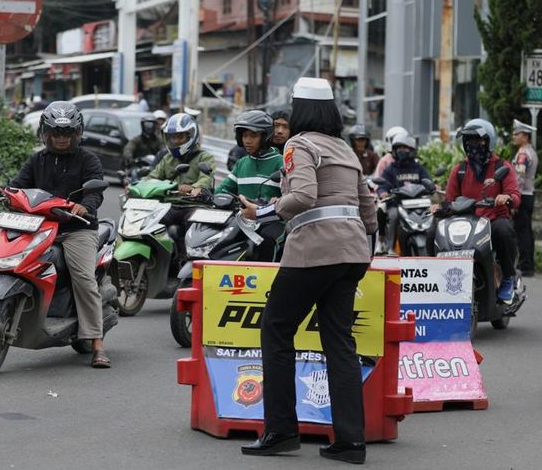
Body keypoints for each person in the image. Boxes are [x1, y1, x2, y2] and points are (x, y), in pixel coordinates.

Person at [240, 77, 377, 465]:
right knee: (339, 342)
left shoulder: (299, 145)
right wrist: (366, 248)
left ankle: (281, 430)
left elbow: (302, 196)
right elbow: (368, 208)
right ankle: (351, 442)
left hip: (314, 252)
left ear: (300, 110)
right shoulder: (344, 149)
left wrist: (261, 211)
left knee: (276, 328)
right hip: (352, 254)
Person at [0, 101, 111, 368]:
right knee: (19, 261)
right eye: (56, 133)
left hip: (77, 229)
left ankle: (97, 344)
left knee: (84, 279)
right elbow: (19, 185)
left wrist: (85, 206)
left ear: (77, 134)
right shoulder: (37, 159)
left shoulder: (88, 160)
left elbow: (95, 192)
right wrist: (3, 190)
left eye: (67, 134)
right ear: (46, 132)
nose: (61, 139)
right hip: (41, 226)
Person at [433, 118, 521, 303]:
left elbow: (515, 195)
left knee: (503, 230)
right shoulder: (460, 169)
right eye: (469, 141)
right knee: (434, 231)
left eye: (478, 140)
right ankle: (434, 278)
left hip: (493, 219)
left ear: (489, 141)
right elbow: (449, 200)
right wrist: (440, 208)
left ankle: (507, 278)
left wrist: (507, 198)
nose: (474, 145)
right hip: (466, 221)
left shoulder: (502, 167)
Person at [144, 113, 215, 259]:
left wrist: (194, 188)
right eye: (172, 137)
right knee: (148, 220)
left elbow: (206, 178)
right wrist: (138, 185)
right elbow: (153, 176)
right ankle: (157, 258)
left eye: (180, 137)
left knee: (193, 225)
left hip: (193, 205)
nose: (176, 141)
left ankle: (188, 260)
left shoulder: (204, 157)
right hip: (170, 205)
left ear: (191, 136)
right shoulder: (167, 158)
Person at [217, 110, 284, 261]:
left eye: (253, 135)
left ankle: (268, 283)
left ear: (266, 136)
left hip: (272, 221)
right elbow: (224, 189)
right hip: (242, 219)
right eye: (245, 135)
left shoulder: (280, 162)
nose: (247, 140)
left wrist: (278, 201)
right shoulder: (242, 163)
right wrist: (205, 193)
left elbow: (292, 194)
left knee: (268, 239)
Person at [376, 134, 432, 254]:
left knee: (433, 217)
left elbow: (428, 181)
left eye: (405, 148)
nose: (402, 151)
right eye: (399, 148)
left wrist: (433, 186)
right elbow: (383, 185)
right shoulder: (391, 169)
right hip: (397, 204)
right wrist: (383, 192)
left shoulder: (419, 168)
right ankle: (390, 247)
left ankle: (432, 246)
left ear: (412, 150)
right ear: (394, 150)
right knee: (393, 215)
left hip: (418, 206)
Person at [512, 119, 538, 277]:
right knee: (527, 231)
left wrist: (515, 199)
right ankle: (528, 264)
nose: (514, 136)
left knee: (522, 232)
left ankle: (525, 266)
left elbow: (519, 177)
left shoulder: (523, 154)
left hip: (522, 196)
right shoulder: (531, 151)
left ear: (525, 136)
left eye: (517, 134)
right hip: (529, 195)